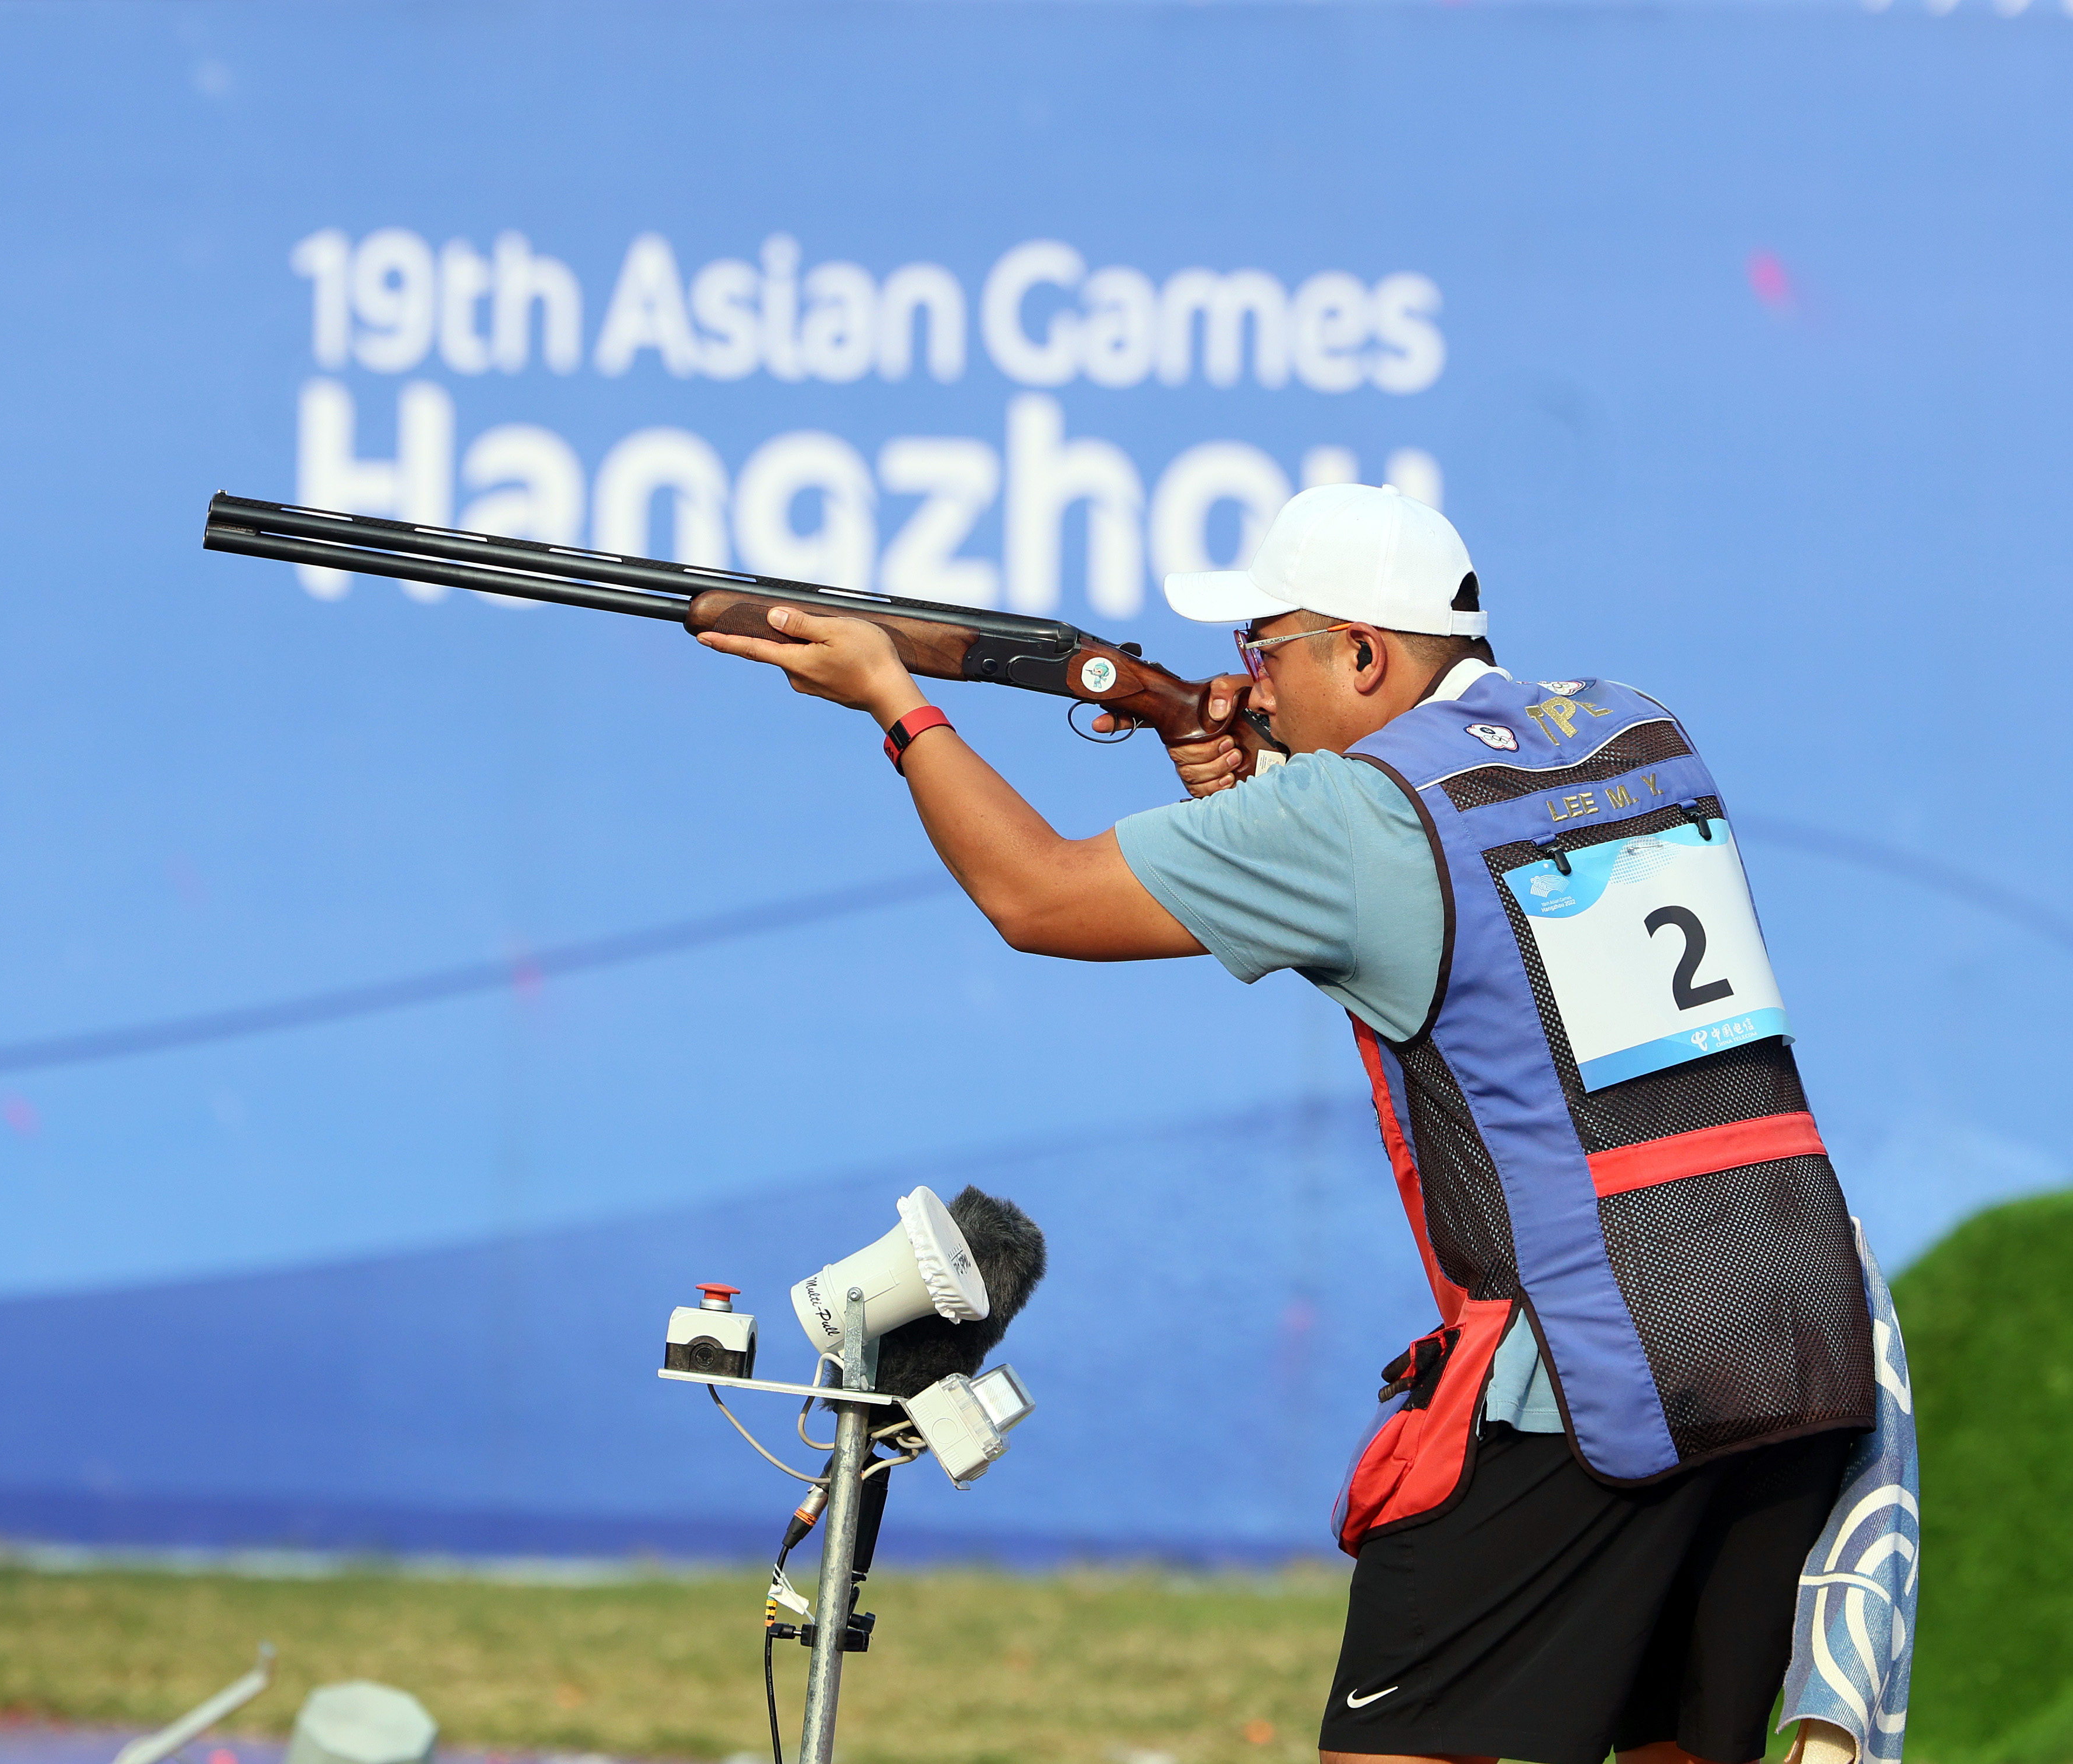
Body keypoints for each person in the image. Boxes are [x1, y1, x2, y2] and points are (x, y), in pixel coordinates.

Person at [696, 483, 1876, 1764]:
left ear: (1362, 653)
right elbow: (1476, 903)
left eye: (1266, 650)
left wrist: (897, 700)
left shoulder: (1353, 814)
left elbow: (1036, 897)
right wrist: (1259, 782)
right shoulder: (1630, 728)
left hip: (1586, 1378)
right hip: (1786, 1331)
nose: (1247, 682)